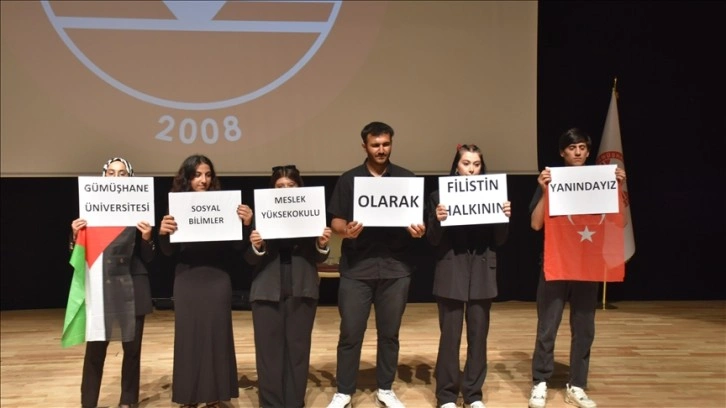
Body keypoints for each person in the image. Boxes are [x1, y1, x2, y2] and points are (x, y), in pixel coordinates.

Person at [326, 121, 426, 408]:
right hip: (357, 268)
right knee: (350, 333)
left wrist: (418, 230)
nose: (381, 150)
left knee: (390, 333)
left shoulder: (406, 179)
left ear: (391, 143)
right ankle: (344, 390)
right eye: (375, 145)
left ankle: (385, 387)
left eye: (386, 144)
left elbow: (419, 220)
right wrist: (346, 230)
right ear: (364, 146)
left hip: (396, 269)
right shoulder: (349, 180)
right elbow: (335, 220)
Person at [527, 129, 627, 408]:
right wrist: (546, 190)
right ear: (562, 152)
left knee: (584, 328)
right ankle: (540, 381)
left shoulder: (601, 179)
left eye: (583, 147)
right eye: (572, 148)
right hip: (556, 263)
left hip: (587, 265)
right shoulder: (551, 179)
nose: (578, 152)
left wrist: (618, 188)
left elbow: (617, 224)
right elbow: (535, 224)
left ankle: (577, 384)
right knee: (548, 326)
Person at [158, 154, 253, 408]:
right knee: (188, 338)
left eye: (208, 174)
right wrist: (163, 233)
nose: (204, 180)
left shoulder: (223, 204)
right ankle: (188, 396)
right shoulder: (176, 207)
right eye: (198, 174)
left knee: (217, 336)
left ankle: (214, 395)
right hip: (187, 278)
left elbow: (237, 247)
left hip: (217, 278)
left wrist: (245, 224)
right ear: (187, 177)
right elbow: (168, 252)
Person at [426, 145, 511, 408]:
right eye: (466, 163)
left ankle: (473, 394)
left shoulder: (495, 195)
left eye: (476, 164)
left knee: (478, 335)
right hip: (452, 269)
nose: (471, 169)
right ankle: (447, 395)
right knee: (450, 336)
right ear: (456, 166)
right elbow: (432, 240)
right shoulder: (439, 195)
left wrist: (504, 217)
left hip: (483, 271)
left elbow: (500, 240)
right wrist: (438, 218)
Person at [244, 165, 332, 408]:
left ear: (299, 189)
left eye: (290, 186)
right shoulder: (258, 216)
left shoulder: (312, 212)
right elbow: (248, 258)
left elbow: (320, 257)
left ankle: (294, 402)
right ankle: (271, 404)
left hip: (302, 283)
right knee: (268, 352)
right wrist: (257, 245)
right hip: (266, 285)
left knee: (298, 349)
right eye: (279, 187)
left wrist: (322, 244)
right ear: (272, 190)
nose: (285, 191)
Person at [71, 157, 156, 408]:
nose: (116, 178)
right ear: (103, 177)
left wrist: (147, 237)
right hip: (101, 289)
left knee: (132, 351)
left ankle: (128, 402)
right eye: (111, 172)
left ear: (130, 179)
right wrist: (76, 237)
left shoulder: (140, 211)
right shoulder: (91, 212)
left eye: (122, 174)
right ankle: (88, 402)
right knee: (95, 352)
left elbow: (149, 258)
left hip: (133, 285)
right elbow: (79, 259)